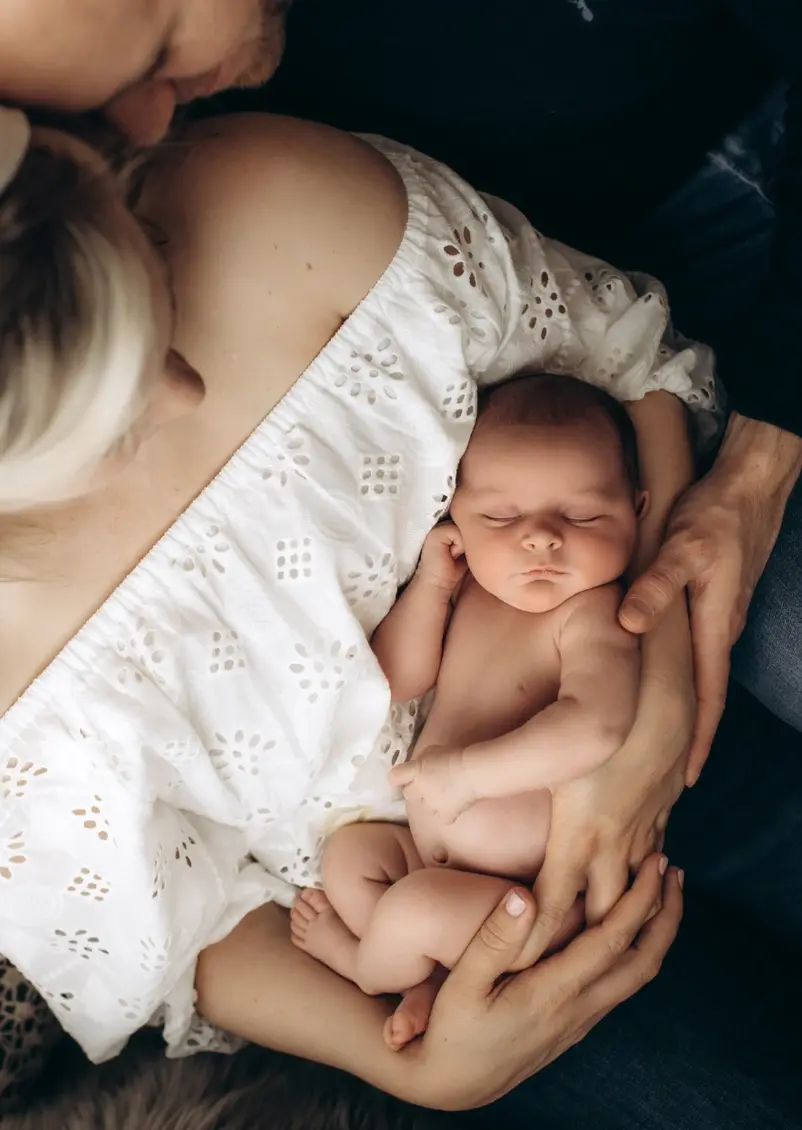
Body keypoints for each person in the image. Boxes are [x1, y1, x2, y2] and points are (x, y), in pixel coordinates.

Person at [0, 102, 692, 1110]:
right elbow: (187, 934)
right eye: (103, 413)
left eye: (149, 304)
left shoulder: (275, 203)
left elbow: (625, 357)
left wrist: (657, 675)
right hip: (426, 921)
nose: (186, 396)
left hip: (659, 649)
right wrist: (409, 1057)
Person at [292, 372, 657, 1051]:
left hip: (526, 902)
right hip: (426, 856)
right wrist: (432, 588)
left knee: (409, 910)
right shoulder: (474, 593)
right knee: (350, 858)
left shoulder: (594, 615)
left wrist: (468, 778)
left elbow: (595, 725)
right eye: (500, 518)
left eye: (581, 517)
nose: (541, 540)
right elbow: (399, 679)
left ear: (636, 510)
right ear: (457, 516)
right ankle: (421, 981)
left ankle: (363, 968)